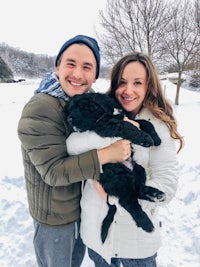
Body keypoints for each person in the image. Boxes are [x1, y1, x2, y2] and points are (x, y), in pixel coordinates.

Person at [17, 35, 132, 267]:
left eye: (87, 67)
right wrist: (107, 155)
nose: (78, 74)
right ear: (57, 66)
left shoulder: (84, 103)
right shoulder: (41, 108)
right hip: (55, 221)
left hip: (78, 210)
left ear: (95, 74)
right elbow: (54, 171)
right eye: (71, 64)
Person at [66, 52, 183, 267]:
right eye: (122, 83)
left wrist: (116, 199)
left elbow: (166, 186)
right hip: (97, 239)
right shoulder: (101, 110)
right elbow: (71, 145)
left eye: (137, 83)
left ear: (149, 86)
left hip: (137, 246)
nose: (128, 90)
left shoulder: (158, 126)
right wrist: (111, 144)